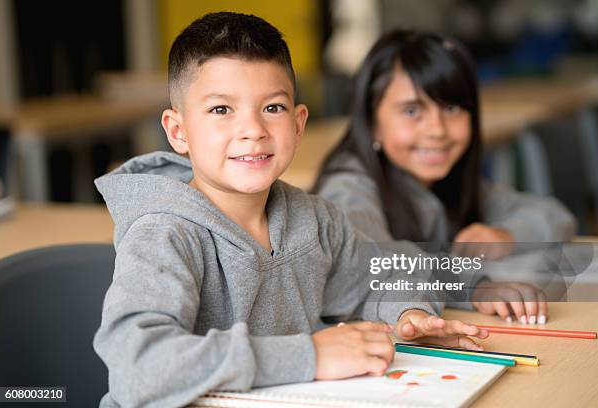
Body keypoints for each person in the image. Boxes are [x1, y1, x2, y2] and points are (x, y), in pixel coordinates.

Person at [93, 14, 488, 408]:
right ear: (178, 131)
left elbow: (384, 277)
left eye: (273, 108)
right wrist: (309, 356)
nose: (252, 129)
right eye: (220, 110)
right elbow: (139, 367)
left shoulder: (314, 220)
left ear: (298, 124)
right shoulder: (165, 236)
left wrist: (409, 314)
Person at [314, 30, 577, 326]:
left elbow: (555, 215)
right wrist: (477, 286)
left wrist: (507, 235)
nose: (437, 130)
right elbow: (378, 261)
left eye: (451, 108)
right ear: (372, 123)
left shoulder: (446, 179)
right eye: (412, 110)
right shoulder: (348, 188)